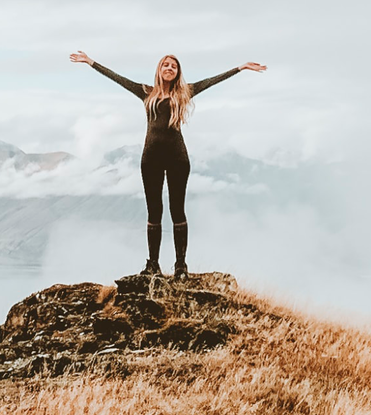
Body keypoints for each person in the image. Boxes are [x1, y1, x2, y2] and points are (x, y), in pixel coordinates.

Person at [70, 51, 266, 277]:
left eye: (174, 66)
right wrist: (91, 62)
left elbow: (213, 81)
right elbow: (117, 78)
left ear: (178, 72)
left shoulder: (185, 92)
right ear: (159, 69)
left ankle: (180, 265)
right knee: (154, 211)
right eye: (166, 64)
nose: (169, 68)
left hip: (177, 159)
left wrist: (240, 68)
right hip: (150, 159)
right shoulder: (146, 93)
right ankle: (153, 264)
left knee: (177, 210)